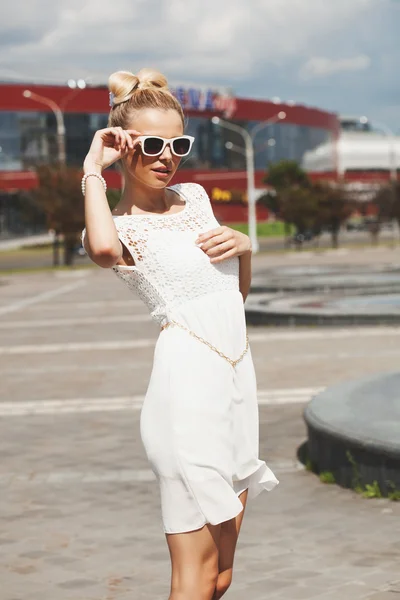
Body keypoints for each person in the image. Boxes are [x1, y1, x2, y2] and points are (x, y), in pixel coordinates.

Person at [81, 67, 279, 600]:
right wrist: (91, 171)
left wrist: (246, 249)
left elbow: (232, 297)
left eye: (178, 143)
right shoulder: (116, 226)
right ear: (123, 147)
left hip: (235, 381)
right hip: (186, 390)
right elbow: (101, 253)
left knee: (220, 577)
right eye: (150, 144)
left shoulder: (195, 198)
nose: (167, 156)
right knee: (193, 578)